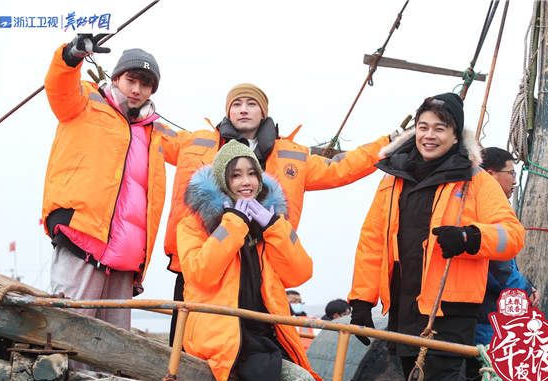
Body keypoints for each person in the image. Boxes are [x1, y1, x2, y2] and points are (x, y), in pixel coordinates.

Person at [166, 83, 393, 344]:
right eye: (236, 104)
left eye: (251, 104)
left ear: (263, 112)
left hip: (261, 266)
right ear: (227, 111)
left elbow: (341, 168)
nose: (243, 110)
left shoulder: (293, 157)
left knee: (256, 341)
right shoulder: (196, 142)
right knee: (182, 345)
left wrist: (388, 145)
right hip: (204, 260)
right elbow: (150, 137)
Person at [347, 93, 525, 381]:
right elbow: (372, 241)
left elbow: (512, 235)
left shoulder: (476, 180)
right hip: (404, 310)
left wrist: (470, 238)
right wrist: (362, 300)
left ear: (456, 135)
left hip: (450, 313)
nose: (429, 135)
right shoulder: (393, 178)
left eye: (440, 128)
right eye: (423, 126)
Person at [42, 34, 179, 331]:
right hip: (81, 237)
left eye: (145, 84)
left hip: (126, 259)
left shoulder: (155, 131)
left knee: (112, 347)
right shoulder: (85, 100)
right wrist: (71, 55)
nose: (136, 89)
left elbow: (193, 149)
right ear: (116, 77)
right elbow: (58, 87)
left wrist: (233, 137)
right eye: (131, 80)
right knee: (66, 332)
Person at [177, 140, 322, 381]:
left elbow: (300, 273)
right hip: (223, 338)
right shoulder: (193, 224)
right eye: (236, 175)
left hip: (266, 337)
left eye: (252, 173)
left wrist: (274, 227)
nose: (246, 181)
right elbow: (201, 275)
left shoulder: (268, 222)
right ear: (223, 180)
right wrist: (233, 223)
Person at [465, 147, 539, 381]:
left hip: (483, 319)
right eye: (511, 173)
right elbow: (499, 270)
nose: (515, 182)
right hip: (486, 321)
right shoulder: (487, 213)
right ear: (490, 174)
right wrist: (526, 289)